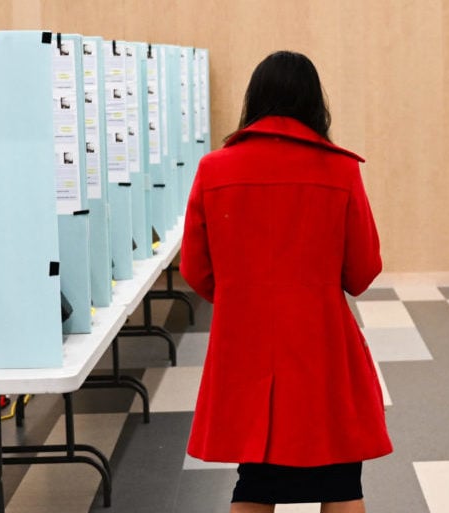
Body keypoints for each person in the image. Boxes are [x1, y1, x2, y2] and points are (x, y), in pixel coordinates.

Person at [180, 51, 391, 513]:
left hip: (247, 344)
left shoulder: (215, 170)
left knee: (255, 480)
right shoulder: (340, 170)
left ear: (253, 100)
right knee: (341, 480)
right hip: (323, 346)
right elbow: (362, 272)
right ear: (316, 104)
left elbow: (195, 269)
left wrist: (243, 294)